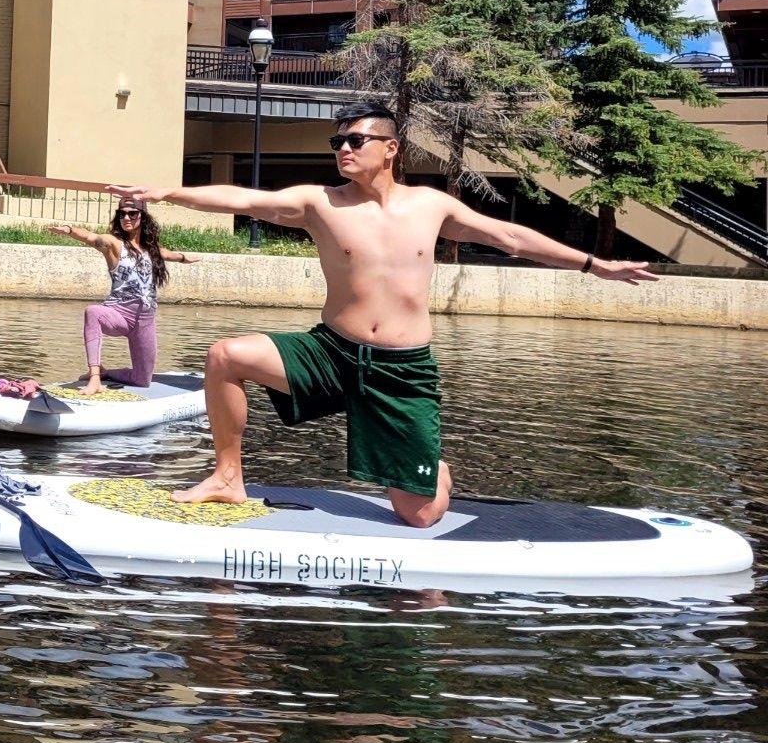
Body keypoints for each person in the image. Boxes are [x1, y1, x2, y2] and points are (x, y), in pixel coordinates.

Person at [117, 99, 658, 526]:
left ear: (391, 148)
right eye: (337, 142)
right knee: (226, 356)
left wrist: (594, 264)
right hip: (331, 351)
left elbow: (510, 236)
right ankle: (227, 479)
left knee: (420, 516)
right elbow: (243, 199)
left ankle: (433, 468)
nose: (343, 150)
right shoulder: (319, 202)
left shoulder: (431, 206)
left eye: (356, 140)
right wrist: (169, 192)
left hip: (402, 371)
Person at [38, 200, 200, 395]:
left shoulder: (150, 248)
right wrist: (70, 230)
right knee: (93, 312)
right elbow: (92, 237)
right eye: (122, 214)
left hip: (145, 321)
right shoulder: (114, 244)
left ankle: (107, 374)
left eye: (132, 213)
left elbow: (165, 254)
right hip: (119, 314)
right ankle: (95, 377)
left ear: (142, 216)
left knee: (142, 380)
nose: (126, 218)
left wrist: (183, 257)